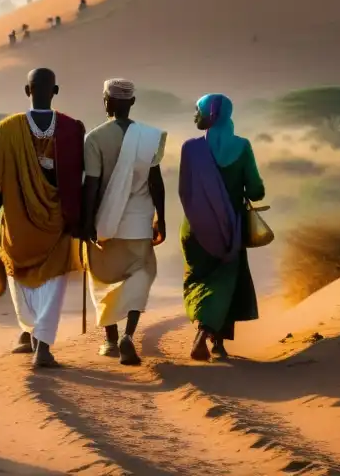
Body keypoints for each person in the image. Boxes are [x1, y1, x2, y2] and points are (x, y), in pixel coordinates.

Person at [0, 68, 86, 369]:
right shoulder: (71, 128)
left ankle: (29, 330)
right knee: (54, 283)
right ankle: (41, 345)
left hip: (17, 223)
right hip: (59, 222)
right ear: (56, 91)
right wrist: (82, 218)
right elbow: (82, 180)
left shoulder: (6, 131)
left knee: (22, 279)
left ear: (27, 91)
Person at [82, 79, 166, 365]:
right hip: (139, 224)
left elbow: (91, 185)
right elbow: (156, 183)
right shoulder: (149, 137)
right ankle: (128, 335)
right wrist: (161, 219)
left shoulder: (94, 138)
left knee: (105, 280)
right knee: (139, 276)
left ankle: (110, 340)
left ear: (106, 102)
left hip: (104, 224)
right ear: (131, 103)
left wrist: (86, 221)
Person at [177, 93, 265, 362]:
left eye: (199, 111)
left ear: (211, 115)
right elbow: (256, 190)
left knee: (200, 279)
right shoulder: (242, 146)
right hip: (230, 230)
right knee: (226, 281)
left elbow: (185, 191)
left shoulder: (190, 148)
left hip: (195, 230)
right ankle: (211, 339)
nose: (195, 116)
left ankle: (210, 337)